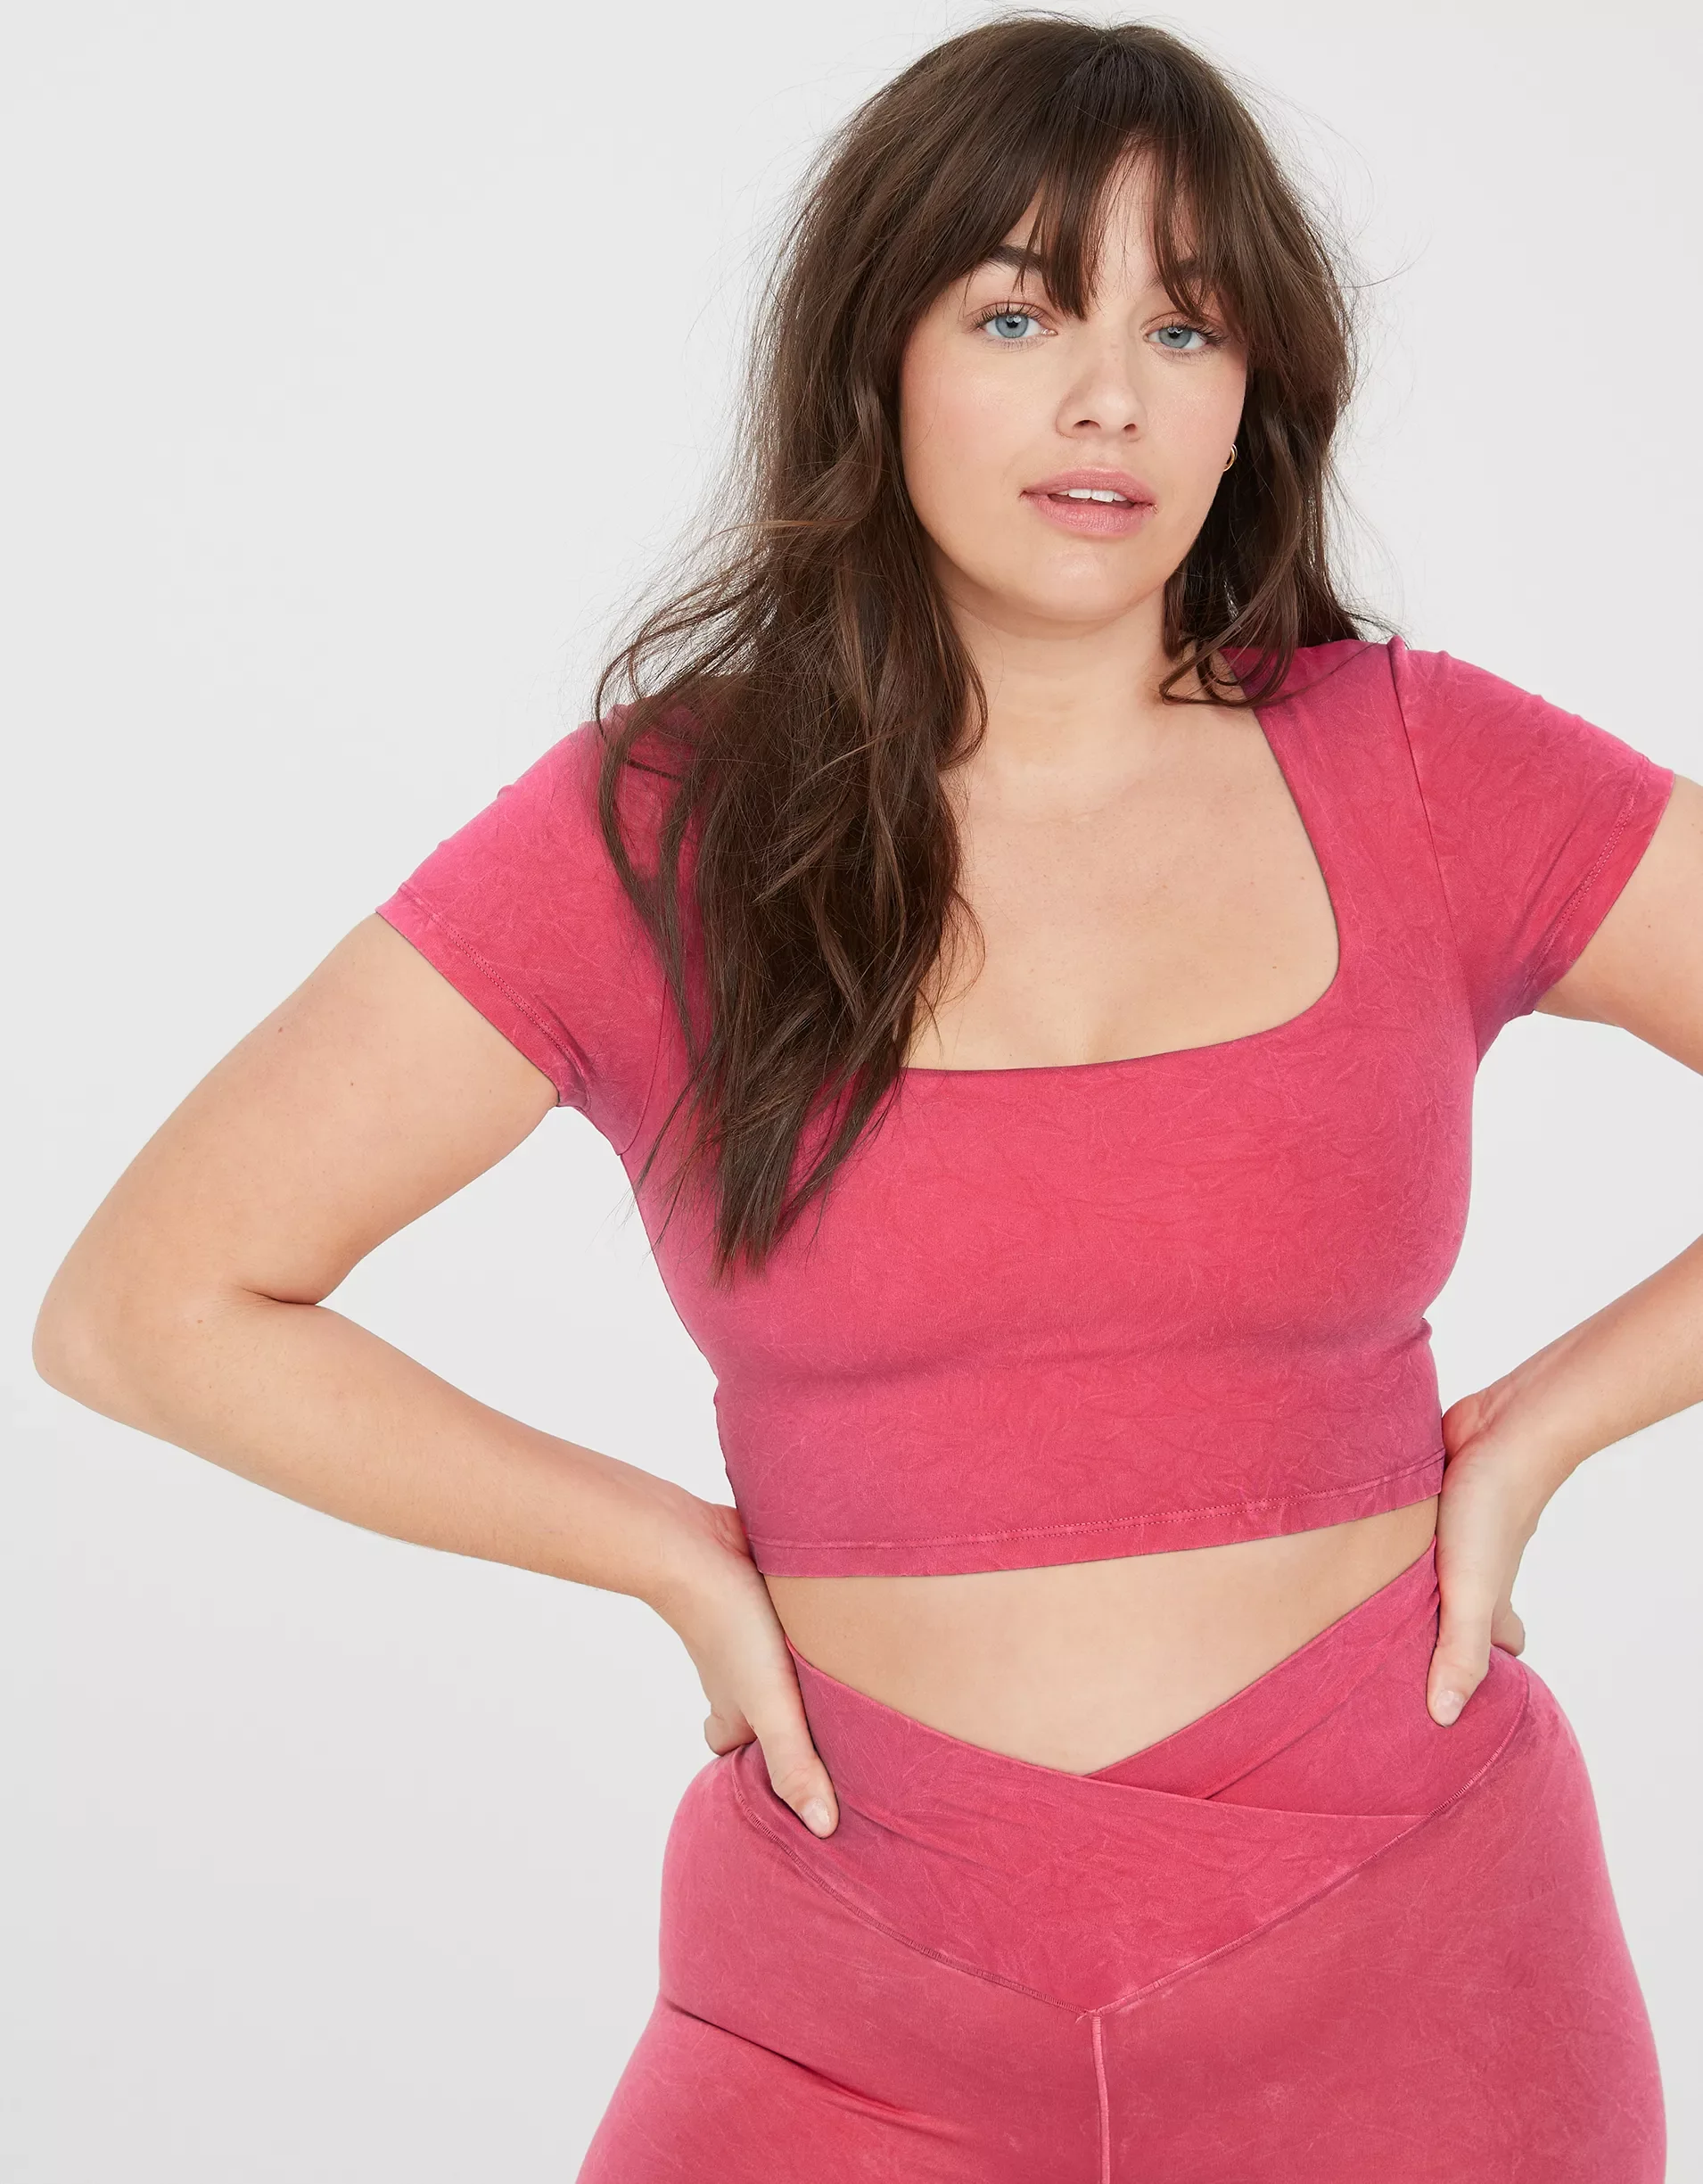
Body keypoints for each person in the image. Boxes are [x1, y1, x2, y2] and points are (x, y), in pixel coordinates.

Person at [32, 15, 1702, 2179]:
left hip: (1418, 1958)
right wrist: (664, 1552)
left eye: (1182, 327)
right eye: (1018, 313)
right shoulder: (666, 826)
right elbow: (150, 1305)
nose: (1107, 397)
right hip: (849, 1983)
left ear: (1252, 395)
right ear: (875, 357)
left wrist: (1545, 1424)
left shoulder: (1422, 768)